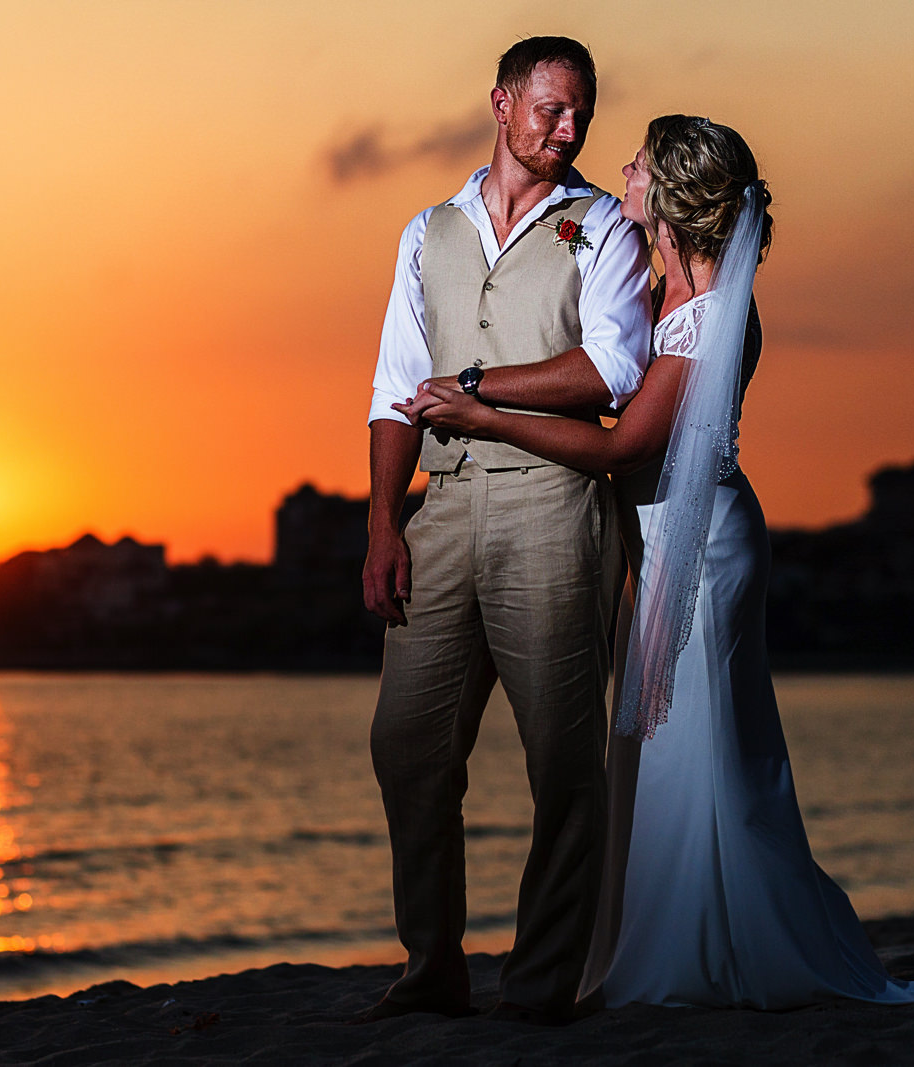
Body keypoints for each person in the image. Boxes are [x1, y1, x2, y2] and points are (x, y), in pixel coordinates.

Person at [398, 115, 914, 1009]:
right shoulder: (663, 287)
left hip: (705, 545)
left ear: (672, 196)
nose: (623, 172)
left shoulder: (708, 316)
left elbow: (620, 445)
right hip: (670, 536)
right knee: (669, 750)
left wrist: (483, 411)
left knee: (707, 751)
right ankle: (685, 940)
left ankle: (713, 952)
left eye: (638, 163)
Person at [361, 37, 653, 1024]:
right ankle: (432, 967)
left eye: (581, 114)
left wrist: (484, 387)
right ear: (500, 102)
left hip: (554, 511)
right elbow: (395, 389)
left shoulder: (603, 225)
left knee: (561, 761)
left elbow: (612, 369)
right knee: (406, 744)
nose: (568, 129)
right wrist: (381, 527)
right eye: (550, 109)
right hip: (439, 510)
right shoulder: (427, 230)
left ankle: (538, 985)